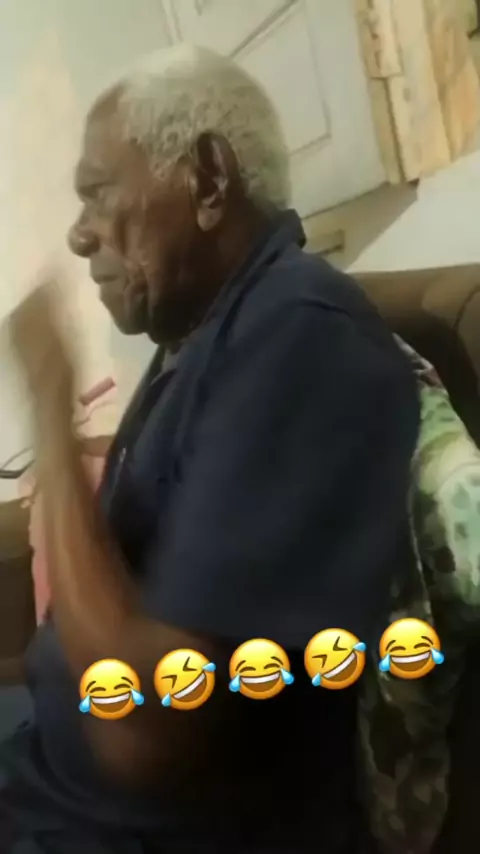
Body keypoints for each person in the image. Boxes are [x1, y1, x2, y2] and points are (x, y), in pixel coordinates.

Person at [2, 44, 419, 854]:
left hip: (115, 828)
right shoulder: (201, 337)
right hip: (50, 765)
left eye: (98, 192)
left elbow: (146, 728)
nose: (80, 235)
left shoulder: (299, 336)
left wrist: (51, 409)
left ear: (208, 180)